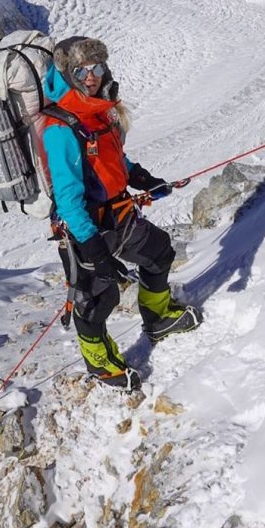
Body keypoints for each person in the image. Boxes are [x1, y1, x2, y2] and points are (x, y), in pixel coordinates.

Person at [42, 35, 201, 391]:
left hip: (119, 214)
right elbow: (68, 198)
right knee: (98, 298)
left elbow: (110, 158)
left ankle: (158, 317)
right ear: (67, 72)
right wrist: (93, 247)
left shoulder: (99, 111)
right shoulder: (60, 128)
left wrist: (140, 176)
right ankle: (101, 365)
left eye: (96, 67)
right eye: (81, 70)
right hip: (86, 227)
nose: (91, 76)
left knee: (159, 252)